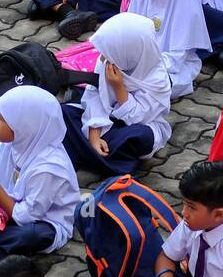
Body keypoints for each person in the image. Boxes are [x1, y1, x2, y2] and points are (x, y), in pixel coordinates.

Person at [0, 85, 80, 261]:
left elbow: (27, 217)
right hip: (7, 209)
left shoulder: (49, 168)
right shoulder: (9, 145)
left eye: (2, 119)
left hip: (42, 221)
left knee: (31, 235)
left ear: (24, 125)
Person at [61, 13, 172, 175]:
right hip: (104, 123)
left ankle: (80, 152)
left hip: (134, 126)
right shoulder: (107, 62)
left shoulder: (158, 80)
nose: (103, 58)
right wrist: (94, 136)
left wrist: (119, 87)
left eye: (109, 53)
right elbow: (95, 97)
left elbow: (138, 118)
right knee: (63, 112)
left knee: (141, 137)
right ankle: (100, 157)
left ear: (129, 52)